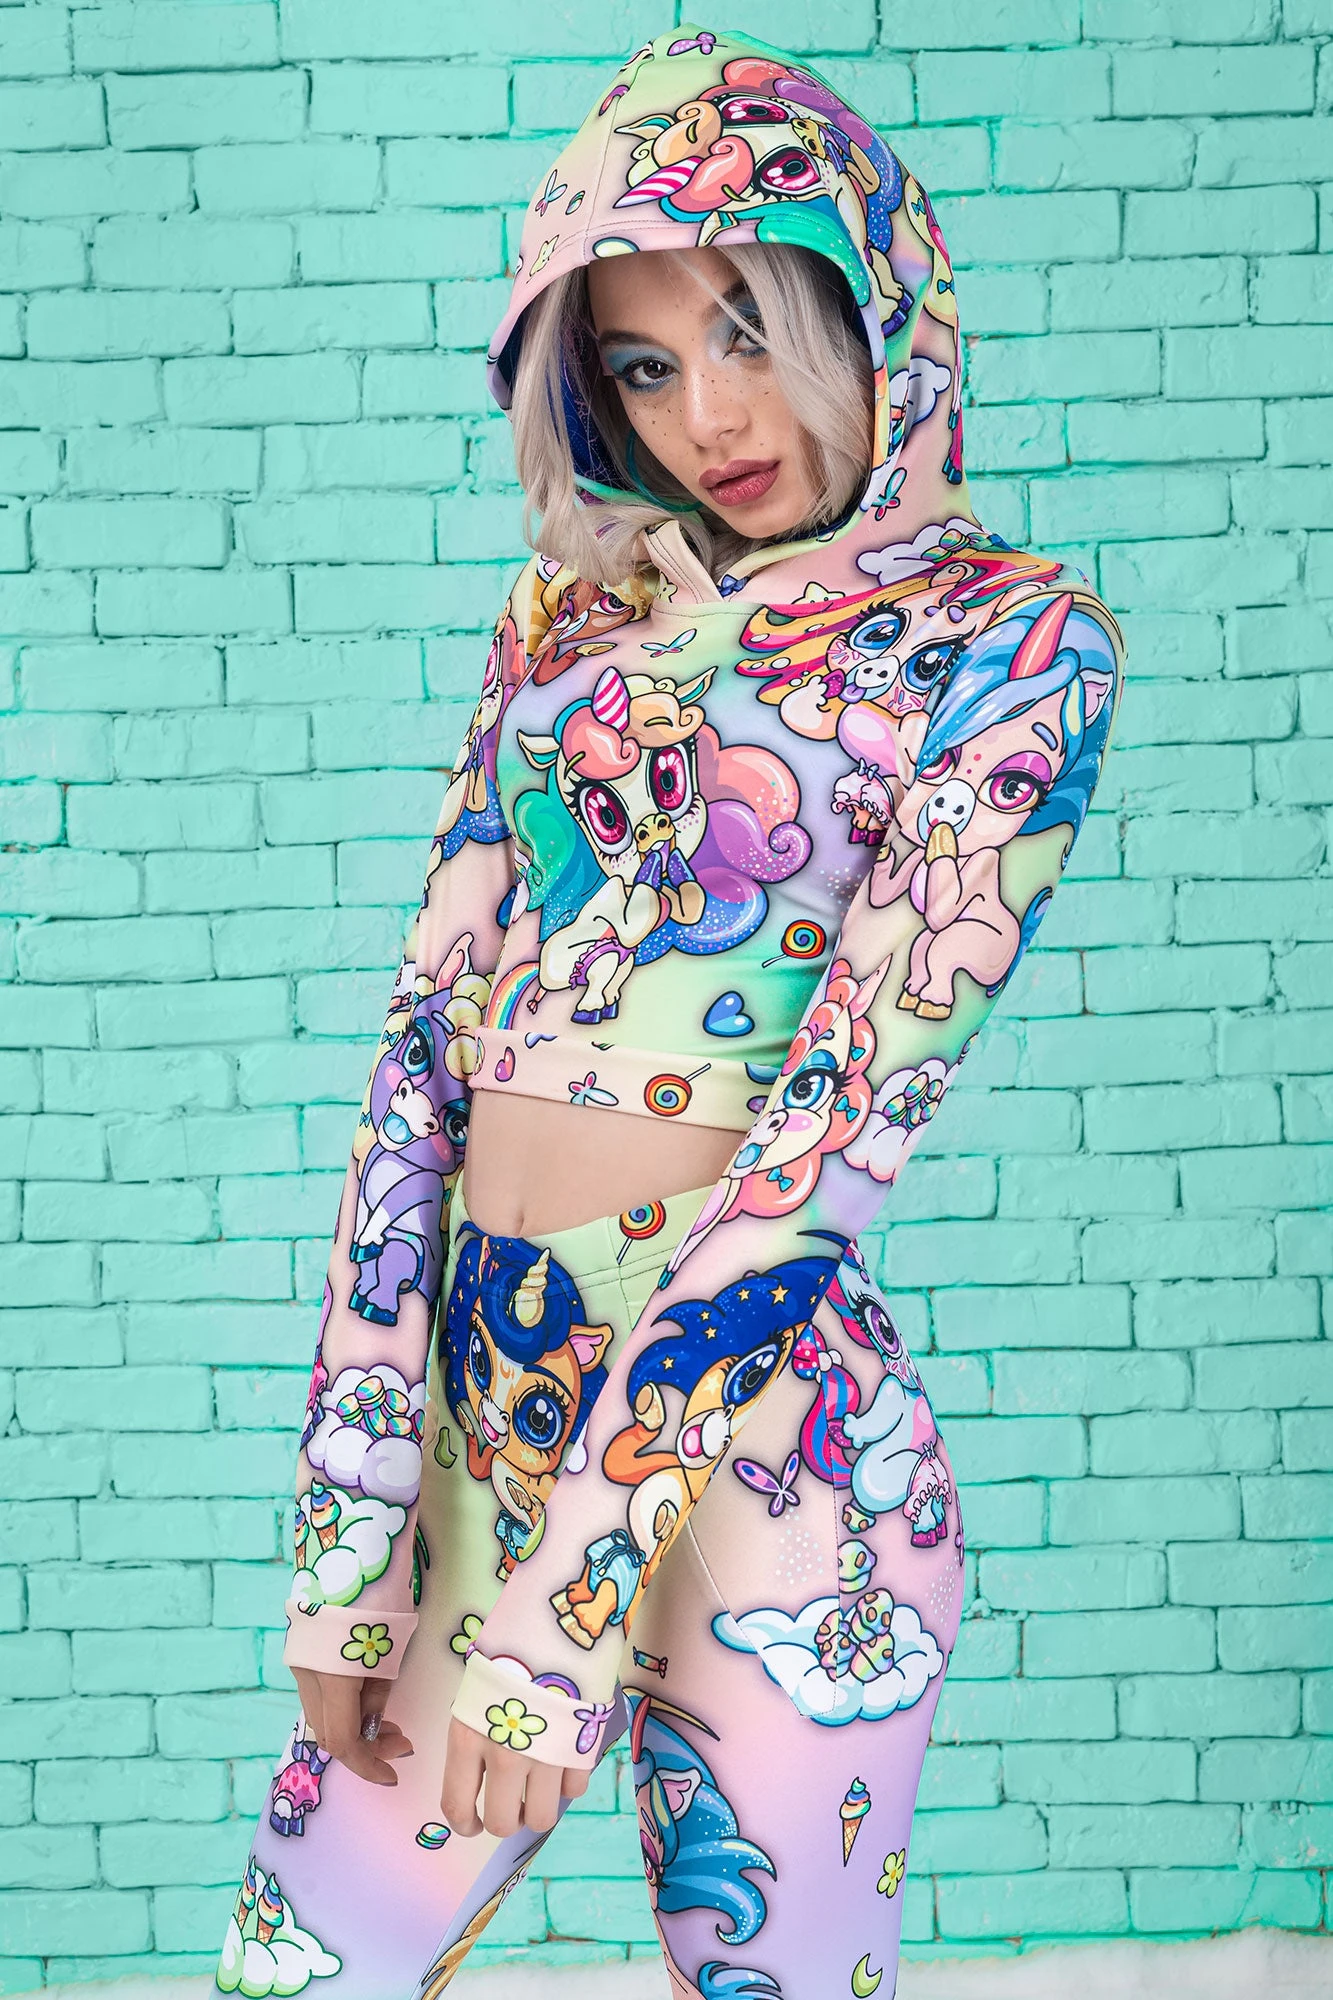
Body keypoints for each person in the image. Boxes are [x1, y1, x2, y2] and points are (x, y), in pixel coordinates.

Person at [212, 24, 1126, 2000]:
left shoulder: (1012, 643)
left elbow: (825, 1152)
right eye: (638, 363)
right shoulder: (569, 622)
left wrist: (567, 1609)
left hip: (778, 1487)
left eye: (745, 331)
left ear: (865, 304)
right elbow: (419, 1066)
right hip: (479, 1441)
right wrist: (347, 1536)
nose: (709, 414)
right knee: (297, 1972)